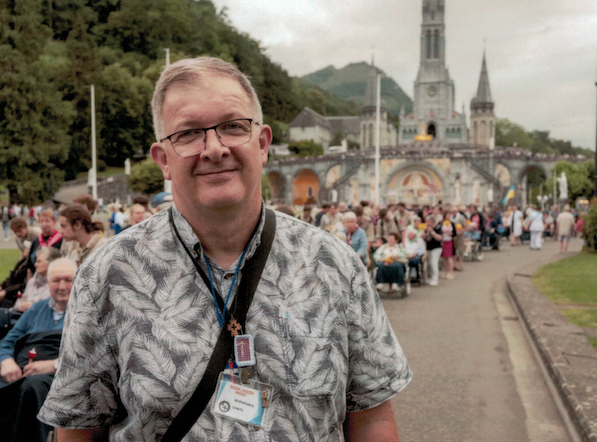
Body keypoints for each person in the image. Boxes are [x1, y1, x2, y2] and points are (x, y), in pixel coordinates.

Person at [39, 56, 411, 442]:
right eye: (188, 133)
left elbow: (371, 417)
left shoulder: (335, 264)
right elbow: (79, 430)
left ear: (263, 143)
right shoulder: (108, 274)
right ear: (163, 160)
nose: (214, 148)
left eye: (233, 126)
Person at [0, 258, 77, 442]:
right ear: (48, 283)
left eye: (68, 280)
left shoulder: (87, 312)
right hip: (18, 371)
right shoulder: (36, 310)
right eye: (56, 281)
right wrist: (6, 362)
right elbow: (7, 341)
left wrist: (53, 365)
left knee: (33, 386)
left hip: (60, 375)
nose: (61, 286)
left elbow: (93, 353)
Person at [12, 247, 60, 313]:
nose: (35, 265)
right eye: (36, 261)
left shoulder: (56, 284)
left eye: (39, 261)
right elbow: (18, 303)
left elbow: (49, 307)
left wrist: (32, 305)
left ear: (51, 263)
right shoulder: (32, 282)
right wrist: (22, 306)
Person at [27, 209, 62, 276]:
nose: (44, 224)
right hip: (36, 278)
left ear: (54, 222)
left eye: (47, 221)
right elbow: (29, 266)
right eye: (41, 221)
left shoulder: (61, 240)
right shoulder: (36, 242)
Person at [425, 216, 443, 286]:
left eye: (428, 222)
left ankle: (435, 279)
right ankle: (431, 277)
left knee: (434, 263)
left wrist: (432, 232)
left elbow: (440, 238)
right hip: (429, 248)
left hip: (436, 248)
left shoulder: (438, 228)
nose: (427, 223)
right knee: (429, 263)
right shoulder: (426, 228)